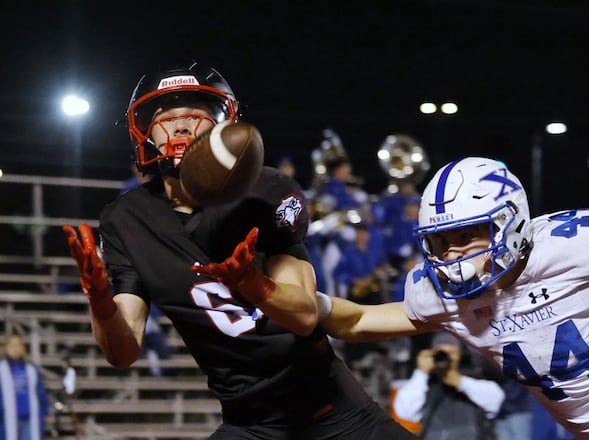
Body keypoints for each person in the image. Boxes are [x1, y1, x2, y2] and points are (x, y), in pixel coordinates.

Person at [62, 62, 414, 439]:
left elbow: (305, 315)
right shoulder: (126, 218)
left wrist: (251, 282)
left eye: (195, 116)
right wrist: (100, 301)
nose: (180, 127)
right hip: (250, 423)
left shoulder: (266, 191)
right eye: (166, 118)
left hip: (333, 412)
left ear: (222, 128)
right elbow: (122, 354)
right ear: (144, 132)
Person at [314, 156, 589, 439]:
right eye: (442, 242)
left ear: (509, 221)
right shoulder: (443, 297)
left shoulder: (573, 248)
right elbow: (357, 322)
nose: (454, 255)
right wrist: (298, 300)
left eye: (466, 236)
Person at [392, 332, 504, 439]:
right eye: (441, 354)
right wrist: (421, 373)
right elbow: (405, 412)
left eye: (451, 353)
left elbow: (496, 400)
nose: (447, 358)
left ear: (460, 354)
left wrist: (459, 381)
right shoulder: (426, 384)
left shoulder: (472, 376)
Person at [0, 335, 49, 440]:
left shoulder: (31, 369)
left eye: (18, 345)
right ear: (6, 348)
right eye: (11, 345)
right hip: (5, 418)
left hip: (29, 418)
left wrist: (44, 411)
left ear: (23, 348)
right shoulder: (2, 369)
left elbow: (41, 393)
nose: (14, 349)